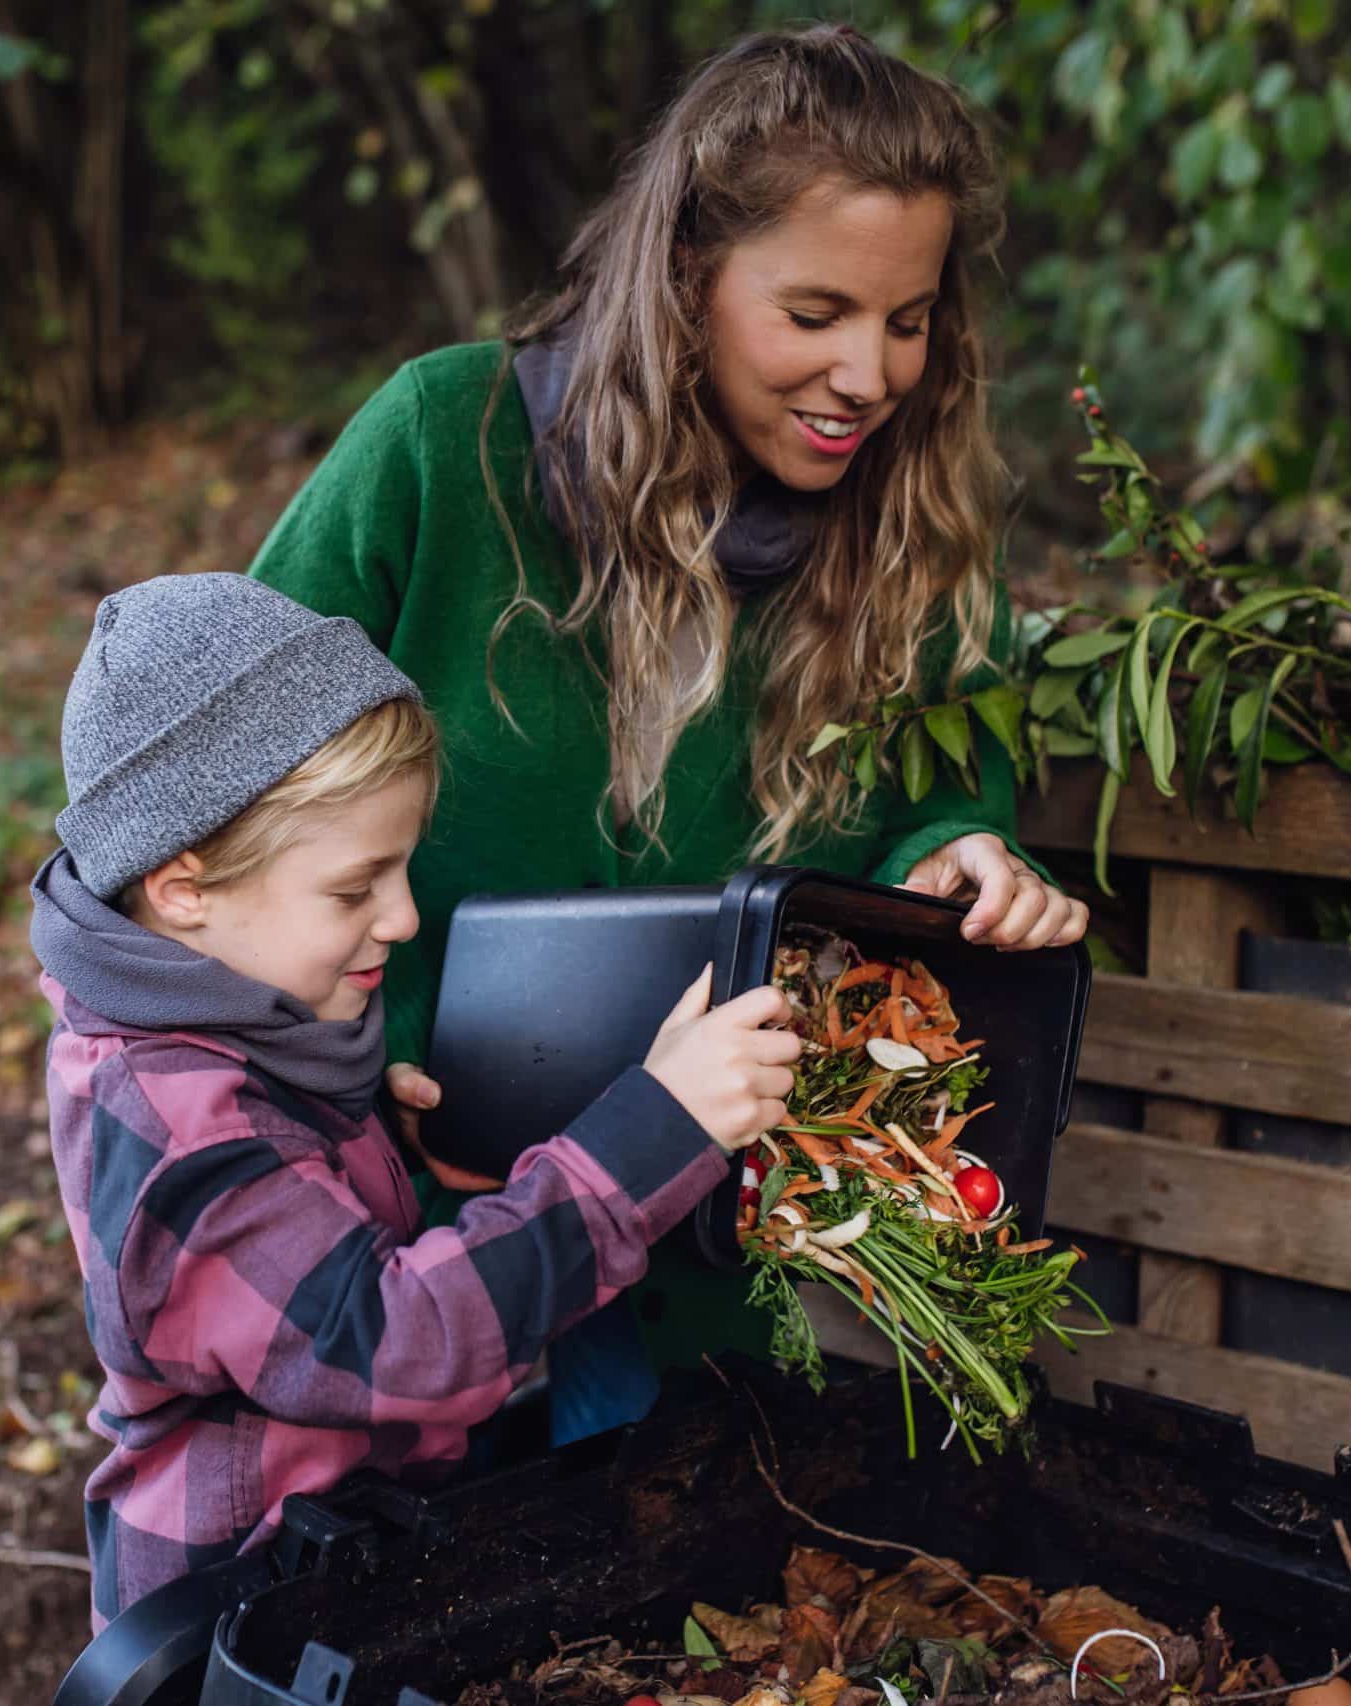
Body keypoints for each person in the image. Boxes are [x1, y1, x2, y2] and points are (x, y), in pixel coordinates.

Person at [248, 25, 1089, 1447]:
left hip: (709, 1253)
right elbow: (227, 775)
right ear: (689, 275)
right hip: (403, 1240)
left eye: (907, 318)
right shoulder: (442, 447)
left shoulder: (917, 535)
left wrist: (957, 851)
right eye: (814, 311)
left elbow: (937, 799)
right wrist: (356, 1047)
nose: (871, 375)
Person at [28, 572, 801, 1624]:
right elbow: (396, 1341)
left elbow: (287, 1213)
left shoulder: (220, 1015)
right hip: (243, 1610)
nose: (399, 916)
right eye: (355, 887)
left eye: (402, 870)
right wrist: (653, 1133)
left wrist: (372, 1135)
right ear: (183, 886)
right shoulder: (175, 1118)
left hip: (354, 1547)